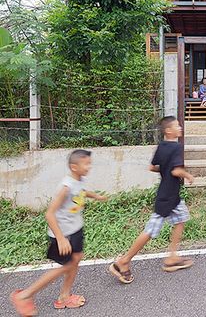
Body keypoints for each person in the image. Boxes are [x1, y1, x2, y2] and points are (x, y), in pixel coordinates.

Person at [10, 150, 107, 316]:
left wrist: (95, 196)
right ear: (74, 167)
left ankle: (64, 297)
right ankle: (24, 295)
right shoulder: (66, 187)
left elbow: (82, 192)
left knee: (76, 259)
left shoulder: (79, 180)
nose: (89, 166)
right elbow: (49, 214)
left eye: (90, 163)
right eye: (86, 164)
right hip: (63, 234)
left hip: (75, 229)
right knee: (66, 265)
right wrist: (61, 239)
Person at [109, 116, 194, 283]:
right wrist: (188, 175)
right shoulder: (177, 147)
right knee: (150, 230)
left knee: (182, 218)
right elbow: (176, 171)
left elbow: (153, 167)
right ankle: (123, 261)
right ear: (169, 131)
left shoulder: (161, 146)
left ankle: (172, 257)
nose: (180, 127)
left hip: (170, 194)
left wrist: (166, 170)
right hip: (167, 197)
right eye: (177, 126)